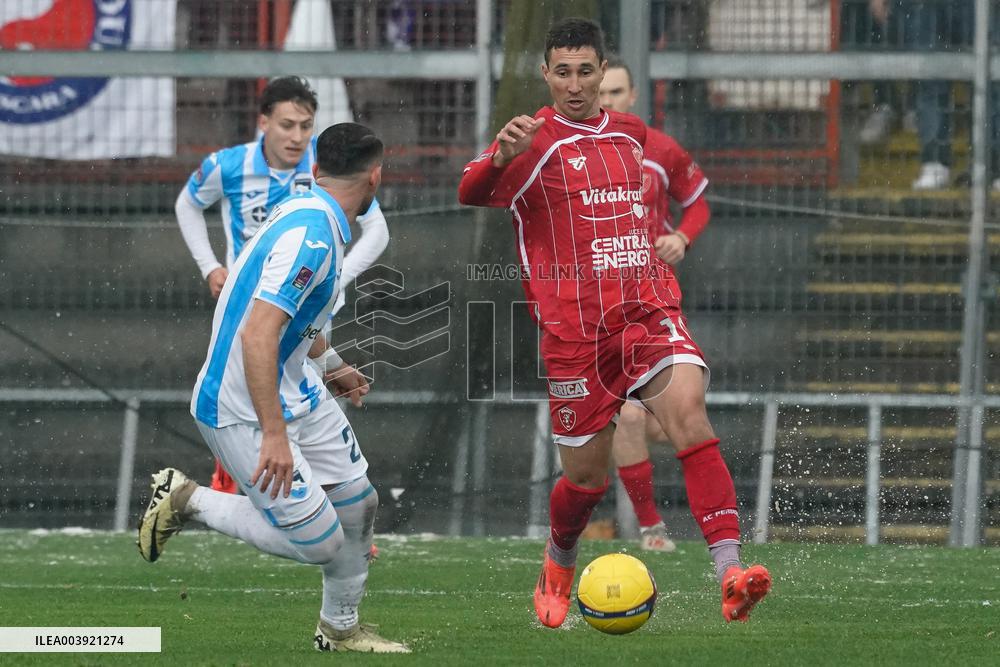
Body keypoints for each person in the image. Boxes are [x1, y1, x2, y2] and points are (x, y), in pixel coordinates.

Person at [458, 17, 770, 627]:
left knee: (689, 414)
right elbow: (471, 191)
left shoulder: (633, 135)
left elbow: (690, 191)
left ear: (604, 73)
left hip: (645, 311)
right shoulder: (530, 141)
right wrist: (498, 156)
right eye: (562, 72)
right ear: (546, 74)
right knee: (586, 479)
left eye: (586, 71)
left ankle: (730, 572)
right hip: (575, 334)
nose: (574, 84)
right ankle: (558, 559)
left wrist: (678, 235)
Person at [139, 123, 408, 653]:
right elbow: (258, 334)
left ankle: (340, 629)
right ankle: (188, 499)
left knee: (359, 505)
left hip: (297, 386)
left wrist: (330, 362)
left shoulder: (314, 213)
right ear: (376, 177)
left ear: (315, 170)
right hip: (239, 410)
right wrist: (274, 434)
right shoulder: (312, 236)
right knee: (322, 543)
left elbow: (296, 322)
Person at [175, 76, 390, 493]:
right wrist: (209, 266)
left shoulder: (330, 169)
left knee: (303, 393)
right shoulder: (229, 165)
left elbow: (378, 229)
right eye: (287, 125)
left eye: (306, 125)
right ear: (263, 123)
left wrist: (334, 277)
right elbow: (188, 203)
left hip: (307, 309)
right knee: (261, 391)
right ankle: (252, 488)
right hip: (253, 307)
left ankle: (323, 509)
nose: (297, 136)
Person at [596, 54, 713, 553]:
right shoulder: (567, 150)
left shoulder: (659, 149)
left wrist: (682, 238)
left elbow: (699, 201)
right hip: (598, 301)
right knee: (629, 415)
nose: (607, 102)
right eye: (601, 93)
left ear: (633, 96)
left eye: (616, 93)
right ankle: (651, 527)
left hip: (654, 295)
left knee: (669, 422)